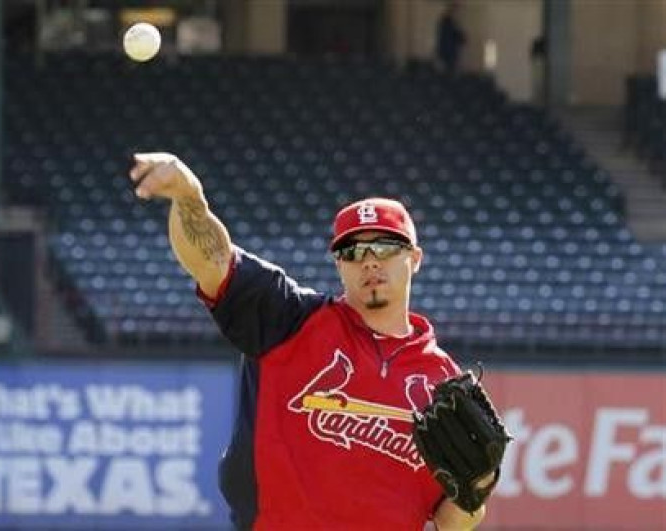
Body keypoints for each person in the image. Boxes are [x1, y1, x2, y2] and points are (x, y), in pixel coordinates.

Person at [129, 152, 494, 530]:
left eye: (385, 248)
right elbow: (212, 261)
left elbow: (452, 523)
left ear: (414, 258)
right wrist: (189, 197)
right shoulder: (290, 319)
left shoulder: (443, 383)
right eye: (352, 251)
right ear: (338, 264)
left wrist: (478, 488)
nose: (369, 261)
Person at [435, 1, 466, 74]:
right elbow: (445, 39)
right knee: (448, 74)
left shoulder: (449, 23)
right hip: (448, 55)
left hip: (448, 55)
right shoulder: (448, 23)